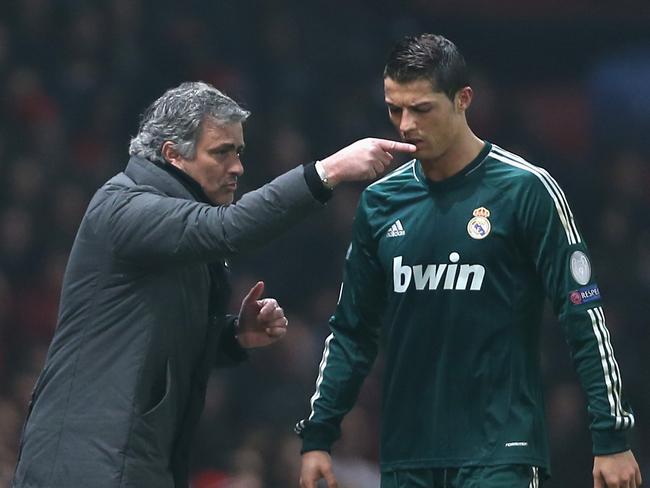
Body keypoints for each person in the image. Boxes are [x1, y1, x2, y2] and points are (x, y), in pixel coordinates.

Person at [11, 81, 415, 488]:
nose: (238, 167)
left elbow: (155, 342)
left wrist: (233, 336)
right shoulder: (125, 205)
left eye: (238, 152)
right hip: (84, 463)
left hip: (124, 460)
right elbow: (229, 229)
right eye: (222, 152)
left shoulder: (171, 230)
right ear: (173, 155)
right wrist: (330, 171)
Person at [297, 34, 642, 488]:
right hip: (406, 457)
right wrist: (319, 434)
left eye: (421, 109)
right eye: (394, 109)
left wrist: (611, 436)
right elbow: (352, 331)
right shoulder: (380, 202)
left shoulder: (527, 190)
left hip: (501, 454)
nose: (405, 125)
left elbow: (583, 313)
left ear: (463, 100)